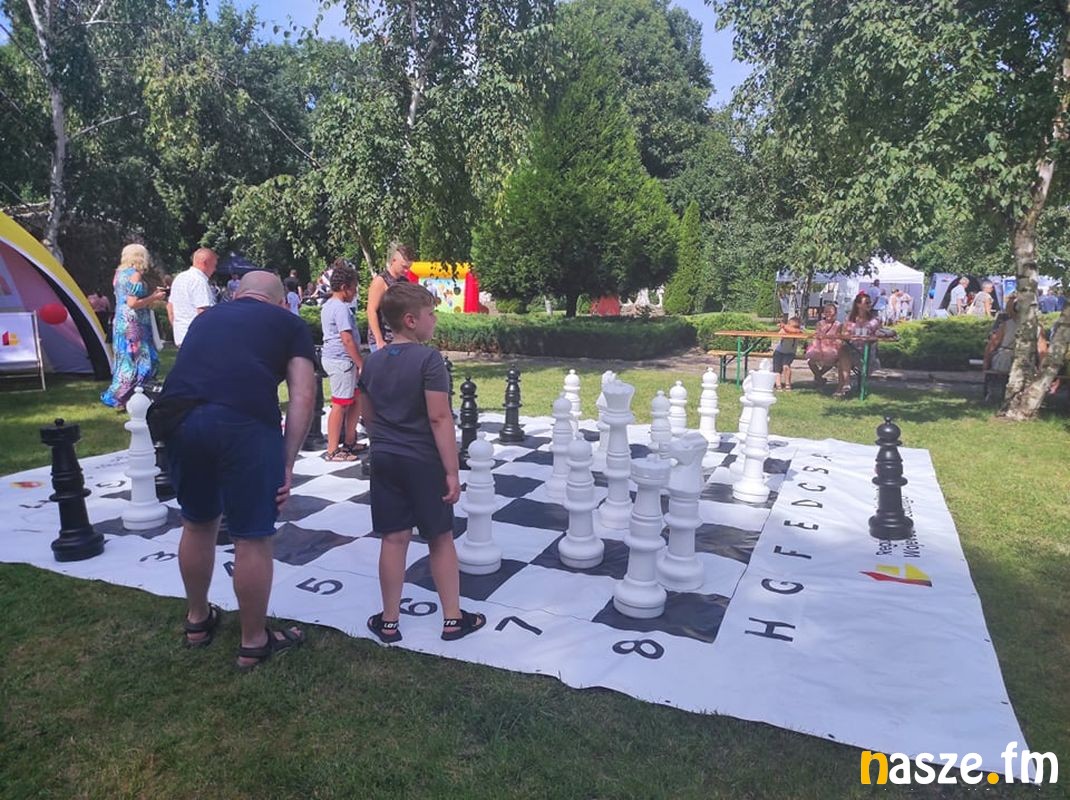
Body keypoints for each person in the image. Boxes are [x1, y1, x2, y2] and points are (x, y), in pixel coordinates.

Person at [153, 271, 317, 671]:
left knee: (197, 523)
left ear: (237, 295)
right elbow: (303, 395)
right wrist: (287, 462)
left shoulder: (206, 318)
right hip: (245, 425)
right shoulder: (290, 323)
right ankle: (253, 641)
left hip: (180, 418)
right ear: (281, 302)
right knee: (252, 537)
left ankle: (197, 621)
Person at [358, 281, 485, 644]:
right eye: (431, 314)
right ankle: (452, 619)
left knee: (393, 539)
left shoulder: (373, 361)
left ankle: (389, 621)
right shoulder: (429, 360)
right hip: (423, 462)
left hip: (385, 459)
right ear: (411, 320)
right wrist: (452, 470)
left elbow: (367, 415)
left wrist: (385, 441)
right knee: (440, 538)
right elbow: (439, 418)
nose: (435, 320)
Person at [101, 244, 167, 409]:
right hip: (134, 322)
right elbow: (132, 303)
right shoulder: (135, 275)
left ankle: (121, 396)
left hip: (121, 320)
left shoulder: (119, 274)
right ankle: (133, 395)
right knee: (142, 359)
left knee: (126, 358)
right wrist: (154, 297)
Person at [320, 261, 367, 461]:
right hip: (342, 361)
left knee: (355, 399)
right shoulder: (340, 308)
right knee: (340, 404)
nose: (355, 292)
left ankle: (349, 441)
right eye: (354, 287)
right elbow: (347, 339)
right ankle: (332, 450)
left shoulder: (329, 305)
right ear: (344, 287)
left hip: (340, 360)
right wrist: (360, 363)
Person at [366, 241, 416, 352]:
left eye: (409, 267)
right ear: (394, 261)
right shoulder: (381, 281)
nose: (406, 271)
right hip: (383, 340)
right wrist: (379, 339)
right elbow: (371, 310)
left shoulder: (404, 282)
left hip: (399, 339)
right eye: (404, 267)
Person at [835, 293, 885, 397]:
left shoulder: (875, 320)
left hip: (867, 352)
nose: (869, 304)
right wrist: (846, 335)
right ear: (858, 304)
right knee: (843, 350)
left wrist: (874, 336)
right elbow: (844, 333)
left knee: (842, 360)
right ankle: (846, 384)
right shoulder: (850, 318)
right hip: (852, 349)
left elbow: (880, 334)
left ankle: (842, 388)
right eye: (866, 302)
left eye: (870, 302)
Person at [167, 248, 218, 347]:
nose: (214, 269)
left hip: (181, 336)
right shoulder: (199, 281)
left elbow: (170, 307)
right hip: (198, 338)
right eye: (214, 265)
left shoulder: (180, 277)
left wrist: (177, 328)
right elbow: (203, 313)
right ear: (205, 263)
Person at [805, 303, 842, 387]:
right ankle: (819, 378)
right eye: (826, 312)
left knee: (831, 362)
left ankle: (818, 377)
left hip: (832, 346)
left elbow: (839, 337)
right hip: (819, 346)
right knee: (811, 361)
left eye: (830, 312)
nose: (828, 314)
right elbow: (818, 334)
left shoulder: (838, 325)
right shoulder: (820, 323)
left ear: (835, 313)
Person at [773, 315, 803, 390]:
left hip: (790, 353)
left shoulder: (798, 331)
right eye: (789, 324)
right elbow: (780, 333)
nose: (790, 326)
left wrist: (784, 326)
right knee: (777, 369)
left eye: (795, 326)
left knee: (786, 366)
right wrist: (784, 328)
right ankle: (778, 385)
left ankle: (787, 384)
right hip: (779, 352)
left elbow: (795, 331)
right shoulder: (784, 330)